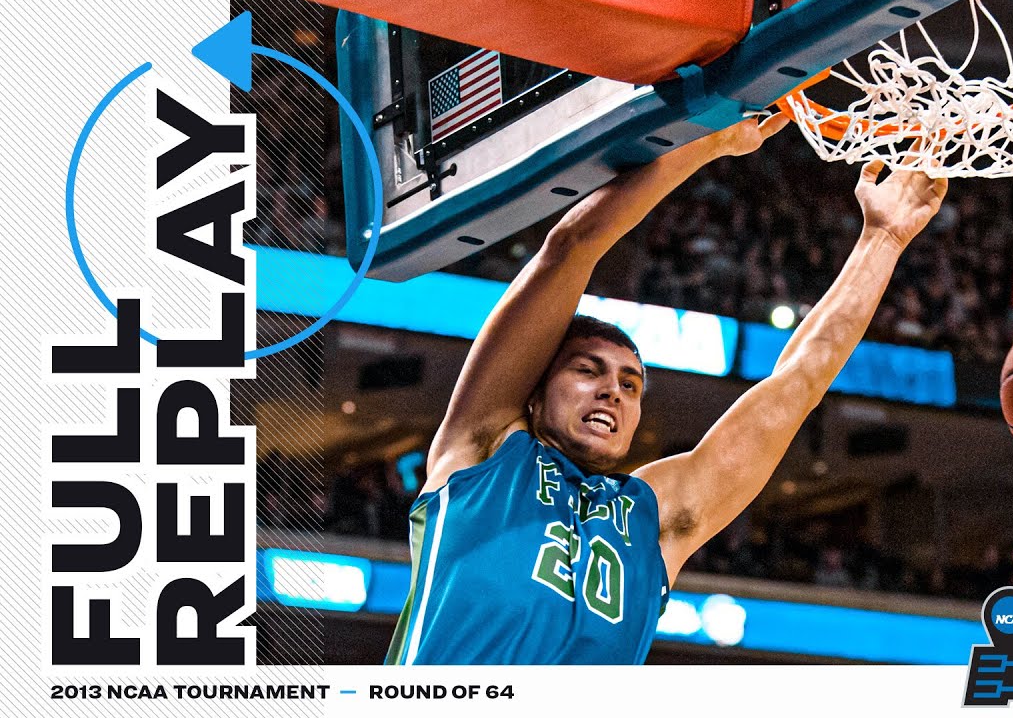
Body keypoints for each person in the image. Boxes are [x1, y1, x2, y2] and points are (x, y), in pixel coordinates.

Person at [384, 114, 948, 664]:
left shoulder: (653, 519)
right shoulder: (485, 451)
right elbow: (573, 245)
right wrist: (708, 138)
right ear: (534, 392)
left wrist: (882, 240)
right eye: (588, 370)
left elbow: (797, 384)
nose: (613, 392)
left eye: (630, 385)